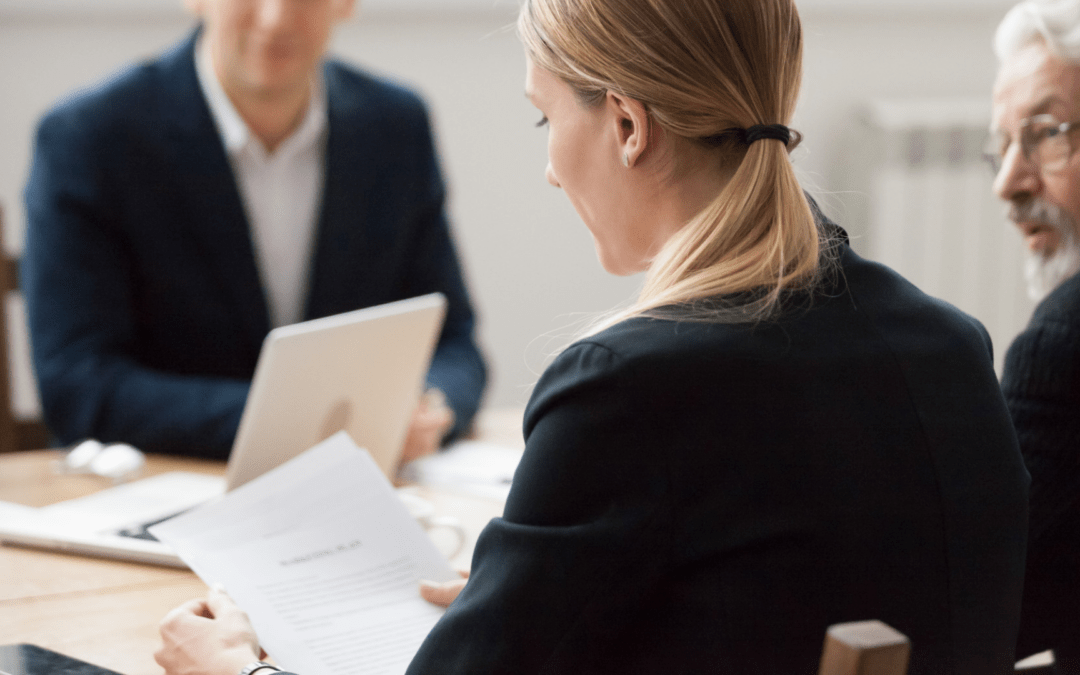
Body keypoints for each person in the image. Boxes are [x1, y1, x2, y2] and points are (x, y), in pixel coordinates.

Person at [154, 0, 1030, 673]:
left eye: (546, 118)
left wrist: (243, 664)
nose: (546, 166)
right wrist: (530, 608)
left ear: (625, 123)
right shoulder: (952, 346)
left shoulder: (627, 387)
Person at [22, 0, 486, 462]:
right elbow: (78, 385)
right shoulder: (89, 137)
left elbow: (453, 341)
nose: (276, 18)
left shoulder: (395, 126)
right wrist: (308, 426)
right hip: (158, 486)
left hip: (356, 484)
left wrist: (429, 408)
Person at [988, 0, 1080, 669]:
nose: (1007, 182)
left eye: (1046, 133)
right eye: (1002, 145)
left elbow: (986, 605)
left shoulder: (1062, 344)